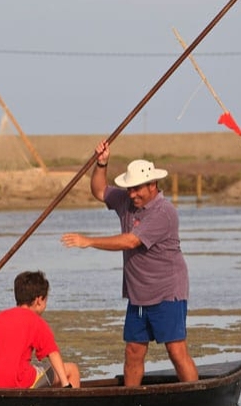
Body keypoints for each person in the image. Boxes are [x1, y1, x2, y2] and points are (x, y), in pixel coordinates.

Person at [61, 141, 198, 386]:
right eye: (130, 189)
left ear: (153, 185)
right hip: (138, 294)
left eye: (137, 190)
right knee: (133, 351)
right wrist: (101, 163)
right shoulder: (127, 200)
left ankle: (196, 394)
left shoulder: (164, 212)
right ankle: (131, 400)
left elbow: (131, 241)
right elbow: (100, 190)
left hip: (167, 291)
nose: (132, 194)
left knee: (176, 351)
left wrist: (88, 241)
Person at [0, 270, 80, 389]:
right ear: (39, 300)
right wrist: (65, 384)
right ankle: (72, 405)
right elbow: (53, 354)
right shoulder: (36, 321)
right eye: (46, 300)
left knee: (36, 368)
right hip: (19, 382)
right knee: (72, 370)